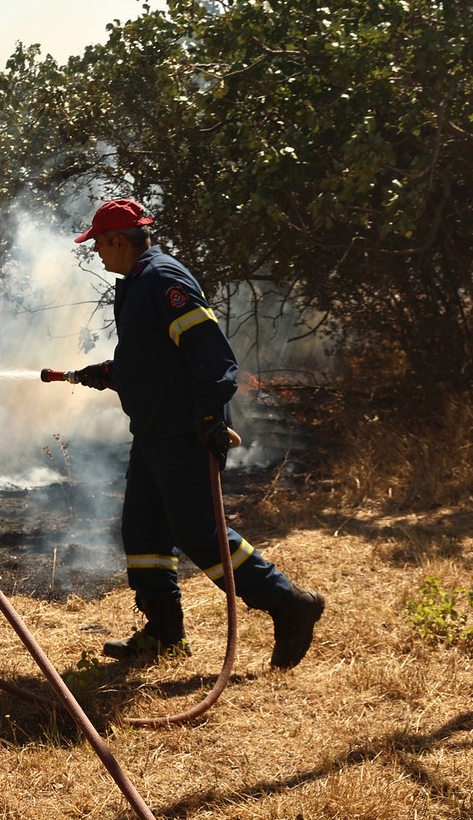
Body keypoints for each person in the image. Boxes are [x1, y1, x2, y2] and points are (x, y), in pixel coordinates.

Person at [67, 199, 326, 669]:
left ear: (118, 241)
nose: (98, 255)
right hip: (153, 431)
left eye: (99, 246)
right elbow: (153, 358)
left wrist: (209, 417)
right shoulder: (136, 284)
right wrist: (108, 372)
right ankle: (164, 631)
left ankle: (288, 602)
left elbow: (211, 354)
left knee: (199, 534)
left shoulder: (163, 280)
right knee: (142, 530)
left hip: (181, 431)